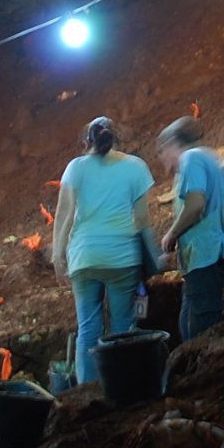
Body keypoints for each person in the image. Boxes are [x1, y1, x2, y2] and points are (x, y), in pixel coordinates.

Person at [51, 116, 154, 385]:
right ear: (116, 137)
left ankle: (88, 391)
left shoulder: (76, 167)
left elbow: (63, 214)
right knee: (122, 326)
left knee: (88, 327)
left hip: (84, 257)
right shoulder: (136, 167)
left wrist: (57, 255)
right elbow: (142, 220)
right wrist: (152, 257)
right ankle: (122, 388)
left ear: (87, 140)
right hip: (123, 257)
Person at [157, 116, 224, 341]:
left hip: (206, 254)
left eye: (162, 151)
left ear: (172, 144)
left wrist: (172, 233)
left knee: (202, 332)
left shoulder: (191, 159)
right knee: (188, 323)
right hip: (208, 254)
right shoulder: (209, 157)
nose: (162, 159)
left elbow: (196, 204)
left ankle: (206, 373)